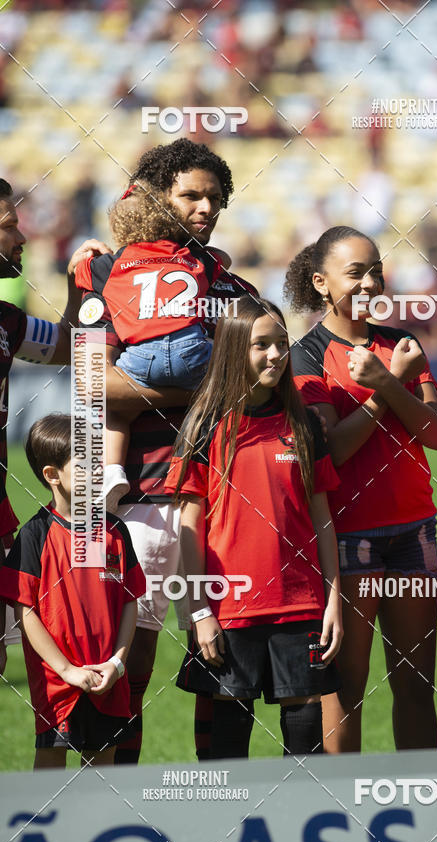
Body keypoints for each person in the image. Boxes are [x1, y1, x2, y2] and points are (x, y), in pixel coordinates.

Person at [83, 139, 258, 764]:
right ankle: (113, 795)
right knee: (130, 657)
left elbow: (256, 381)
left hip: (229, 497)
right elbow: (90, 383)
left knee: (226, 661)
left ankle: (218, 801)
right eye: (191, 195)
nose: (206, 207)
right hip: (144, 498)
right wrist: (201, 388)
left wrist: (186, 390)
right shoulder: (109, 274)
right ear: (157, 196)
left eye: (215, 197)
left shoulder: (234, 288)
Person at [286, 226, 437, 753]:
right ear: (321, 282)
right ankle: (343, 811)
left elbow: (436, 432)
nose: (370, 281)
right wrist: (383, 391)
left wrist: (389, 381)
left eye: (375, 269)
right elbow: (331, 451)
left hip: (416, 531)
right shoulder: (306, 356)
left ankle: (426, 800)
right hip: (348, 537)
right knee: (346, 689)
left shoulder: (402, 343)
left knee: (416, 685)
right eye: (356, 272)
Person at [164, 295, 343, 759]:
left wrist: (333, 601)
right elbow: (189, 529)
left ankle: (293, 829)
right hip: (228, 612)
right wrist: (198, 612)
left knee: (305, 747)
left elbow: (322, 519)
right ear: (234, 351)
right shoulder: (204, 425)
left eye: (281, 344)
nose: (275, 355)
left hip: (300, 604)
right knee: (226, 751)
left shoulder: (304, 424)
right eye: (261, 345)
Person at [0, 178, 109, 676]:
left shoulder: (8, 322)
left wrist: (78, 287)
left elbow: (67, 344)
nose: (20, 238)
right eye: (8, 227)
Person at [0, 414, 146, 768]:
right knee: (49, 771)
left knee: (102, 772)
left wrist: (117, 663)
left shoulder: (116, 531)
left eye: (99, 461)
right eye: (85, 464)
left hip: (108, 677)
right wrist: (66, 670)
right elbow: (25, 612)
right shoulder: (35, 535)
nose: (98, 471)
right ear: (53, 475)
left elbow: (130, 602)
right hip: (57, 682)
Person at [75, 182, 224, 512]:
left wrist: (86, 260)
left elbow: (81, 272)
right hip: (192, 351)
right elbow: (220, 260)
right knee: (233, 363)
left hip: (143, 355)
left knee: (114, 406)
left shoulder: (113, 263)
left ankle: (112, 470)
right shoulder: (191, 257)